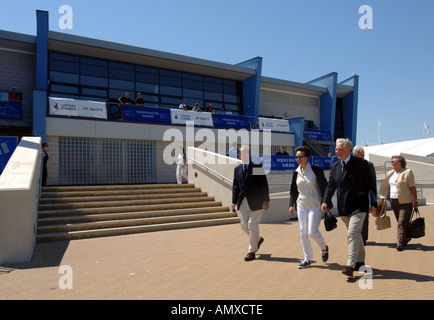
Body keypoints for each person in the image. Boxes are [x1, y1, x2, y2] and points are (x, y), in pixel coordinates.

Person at [321, 138, 376, 278]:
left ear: (348, 150)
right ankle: (360, 260)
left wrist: (374, 203)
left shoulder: (362, 164)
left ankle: (350, 265)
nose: (337, 152)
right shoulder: (334, 166)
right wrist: (326, 201)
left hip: (359, 206)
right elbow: (331, 186)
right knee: (355, 234)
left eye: (340, 149)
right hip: (343, 208)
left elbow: (371, 185)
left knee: (352, 233)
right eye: (336, 150)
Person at [289, 146, 329, 269]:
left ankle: (324, 247)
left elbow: (325, 186)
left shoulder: (316, 170)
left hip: (315, 204)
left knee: (312, 231)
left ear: (307, 157)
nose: (298, 159)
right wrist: (291, 205)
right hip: (301, 203)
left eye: (300, 156)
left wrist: (325, 202)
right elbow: (293, 190)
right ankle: (307, 259)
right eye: (296, 157)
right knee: (303, 232)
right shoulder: (296, 172)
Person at [232, 145, 270, 261]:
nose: (243, 155)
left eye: (245, 153)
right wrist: (233, 202)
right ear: (239, 155)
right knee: (244, 226)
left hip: (256, 202)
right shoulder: (237, 169)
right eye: (241, 154)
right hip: (243, 202)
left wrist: (266, 200)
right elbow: (235, 187)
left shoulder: (257, 167)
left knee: (252, 226)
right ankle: (258, 239)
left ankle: (251, 251)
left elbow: (264, 184)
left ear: (249, 154)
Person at [379, 155, 418, 251]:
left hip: (406, 201)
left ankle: (400, 243)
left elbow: (412, 187)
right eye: (391, 161)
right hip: (394, 200)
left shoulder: (407, 172)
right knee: (401, 222)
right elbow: (387, 186)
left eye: (393, 162)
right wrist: (383, 197)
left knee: (401, 222)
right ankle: (407, 237)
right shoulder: (391, 173)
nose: (392, 163)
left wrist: (415, 200)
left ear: (400, 163)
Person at [353, 145, 377, 245]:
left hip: (365, 197)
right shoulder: (349, 165)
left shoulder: (369, 165)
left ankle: (363, 238)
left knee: (364, 218)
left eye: (363, 155)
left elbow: (373, 183)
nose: (362, 157)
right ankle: (355, 237)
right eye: (359, 155)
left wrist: (373, 202)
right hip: (352, 197)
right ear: (354, 155)